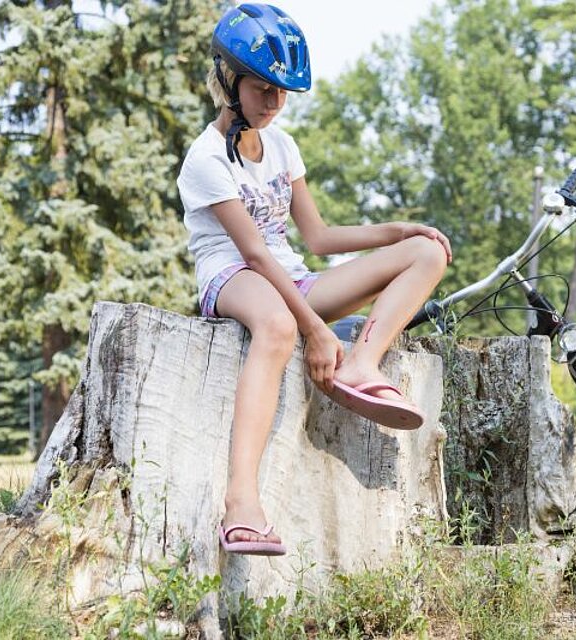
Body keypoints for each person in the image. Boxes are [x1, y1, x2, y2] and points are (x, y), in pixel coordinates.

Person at [176, 3, 451, 557]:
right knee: (277, 328)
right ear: (228, 81)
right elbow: (252, 254)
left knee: (425, 252)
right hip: (233, 277)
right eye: (263, 90)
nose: (275, 104)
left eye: (283, 94)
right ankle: (242, 503)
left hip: (292, 277)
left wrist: (397, 229)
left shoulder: (281, 144)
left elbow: (318, 238)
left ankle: (364, 363)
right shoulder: (205, 158)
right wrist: (317, 332)